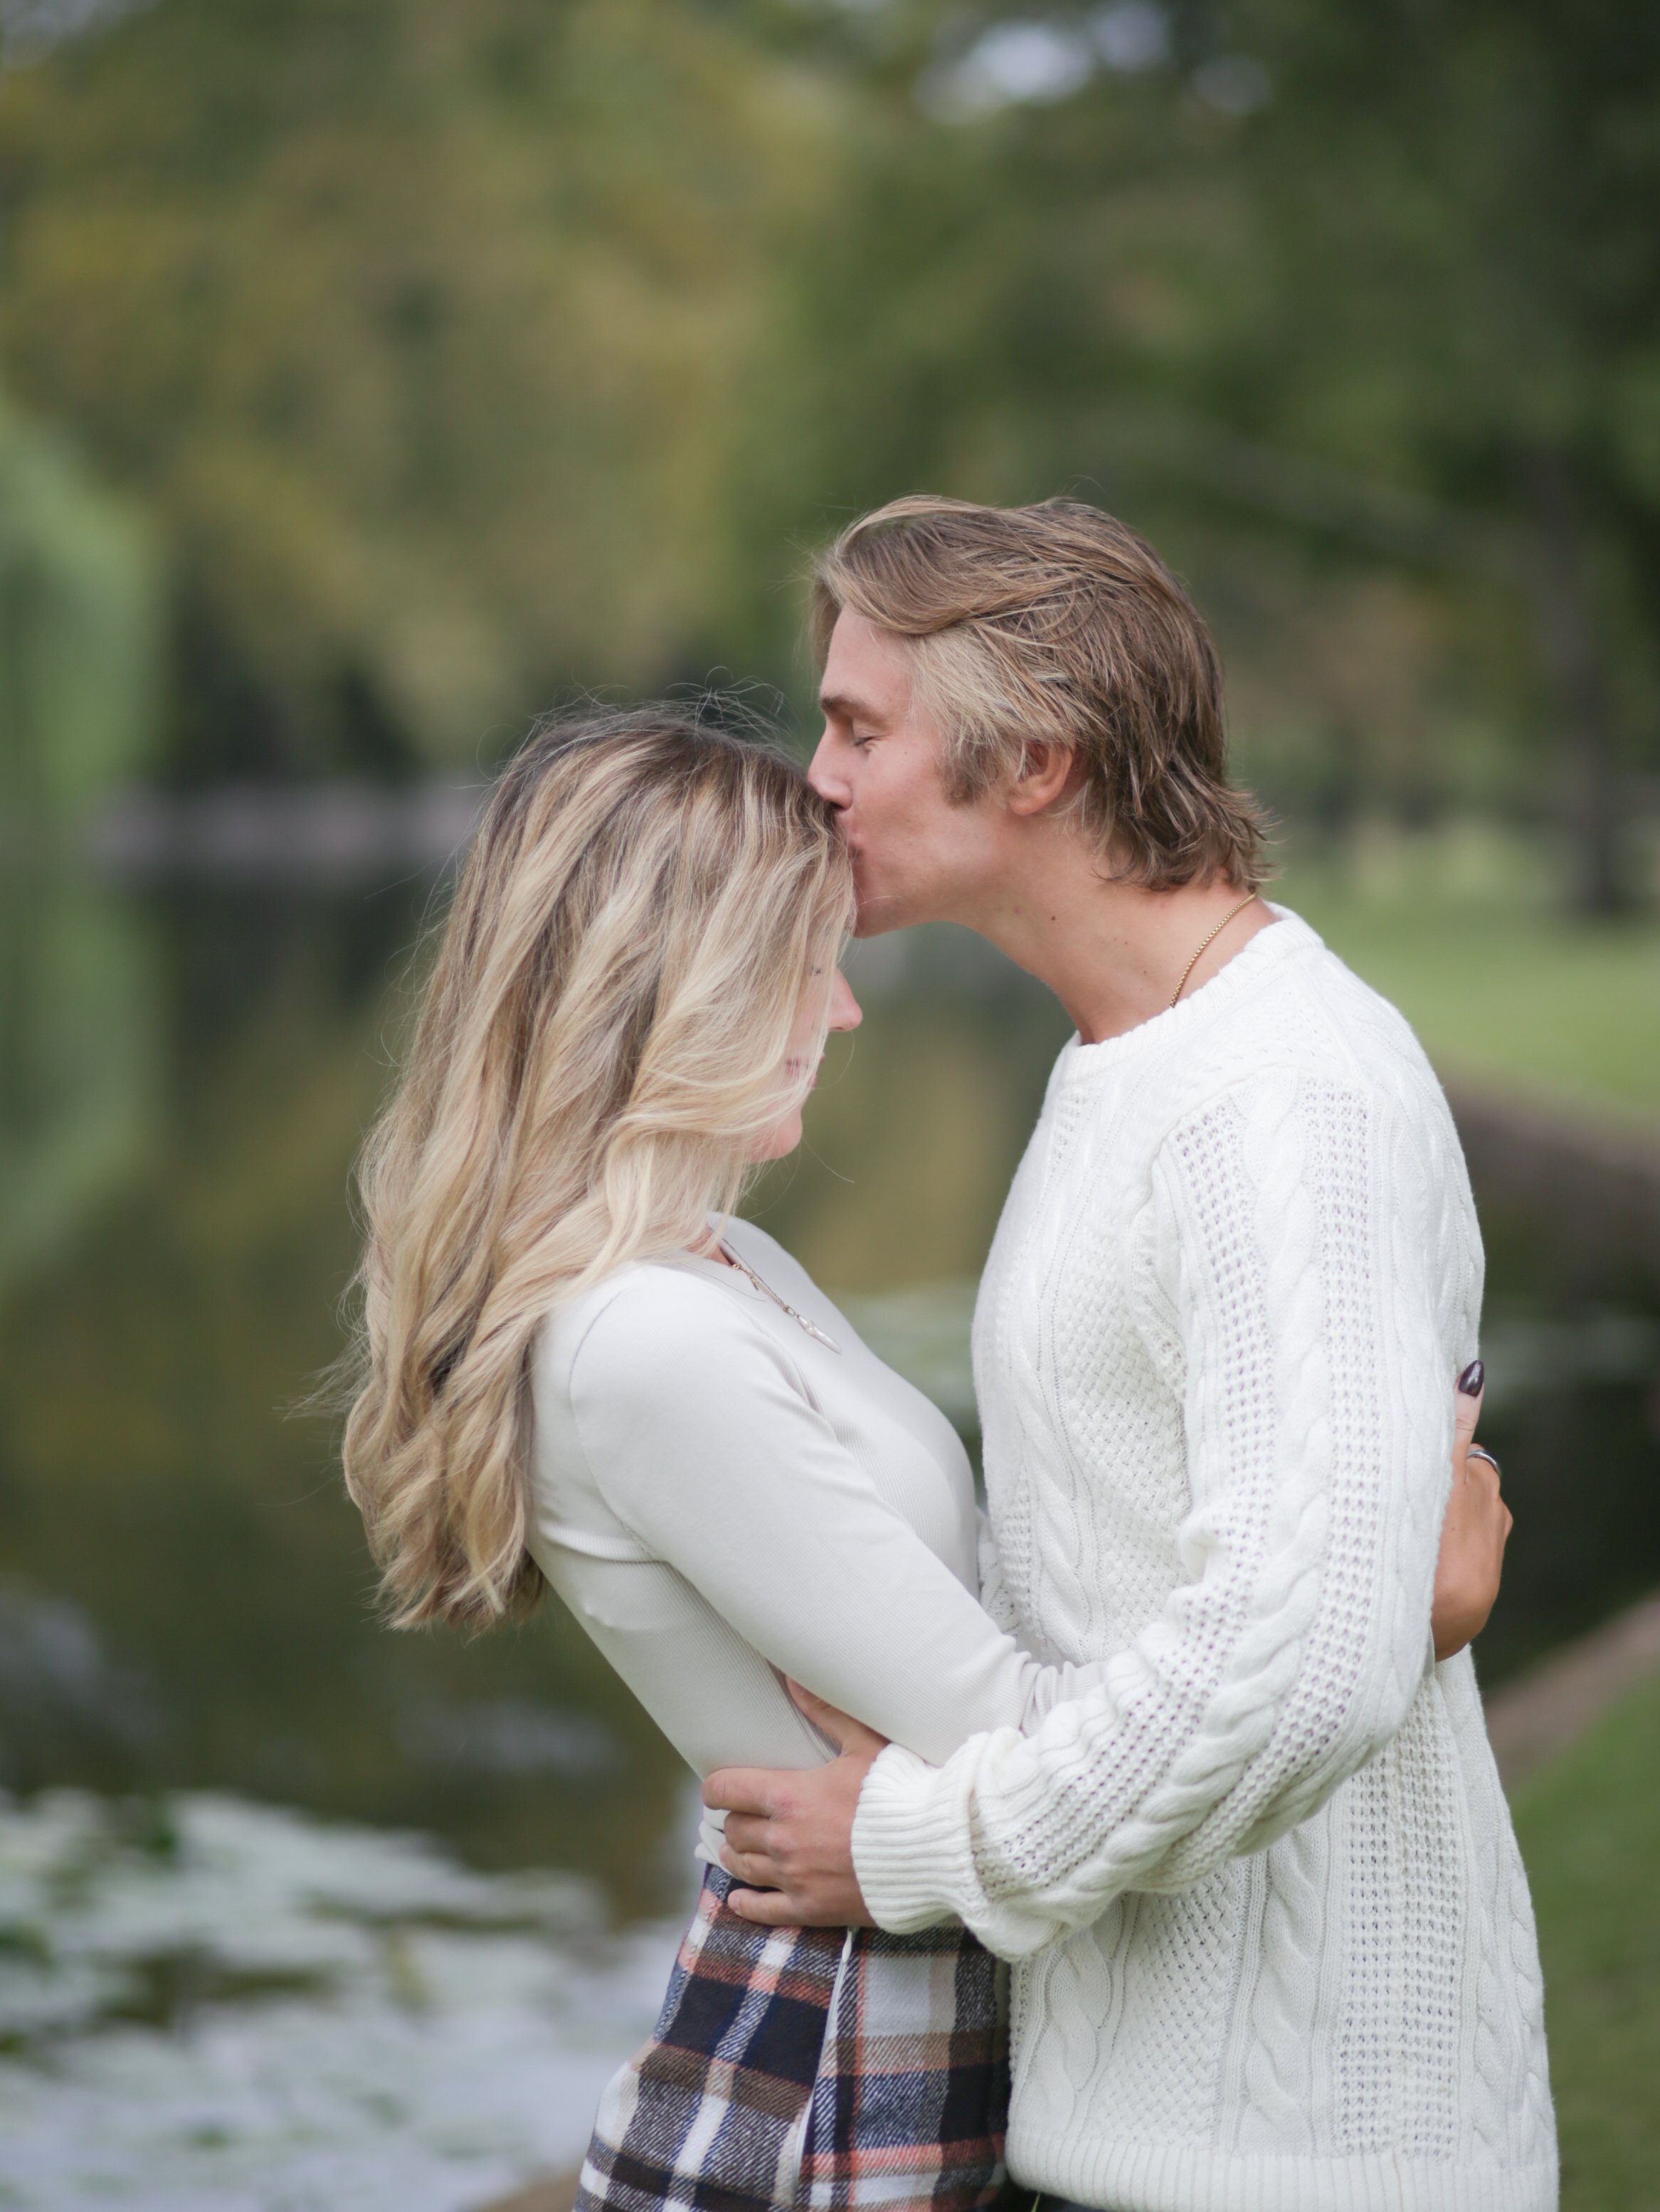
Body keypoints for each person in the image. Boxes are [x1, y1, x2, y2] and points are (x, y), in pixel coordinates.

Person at [337, 699, 1510, 2212]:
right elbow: (998, 1727)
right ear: (670, 985)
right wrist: (1376, 1605)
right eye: (801, 964)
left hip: (952, 1983)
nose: (841, 1011)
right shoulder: (642, 1345)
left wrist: (1318, 1549)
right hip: (848, 2049)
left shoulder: (722, 1267)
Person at [704, 496, 1554, 2212]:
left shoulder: (1281, 1096)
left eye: (861, 729)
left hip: (1306, 2161)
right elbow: (1252, 1598)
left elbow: (1298, 1664)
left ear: (1035, 762)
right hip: (1146, 2128)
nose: (818, 780)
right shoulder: (1132, 1066)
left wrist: (921, 1843)